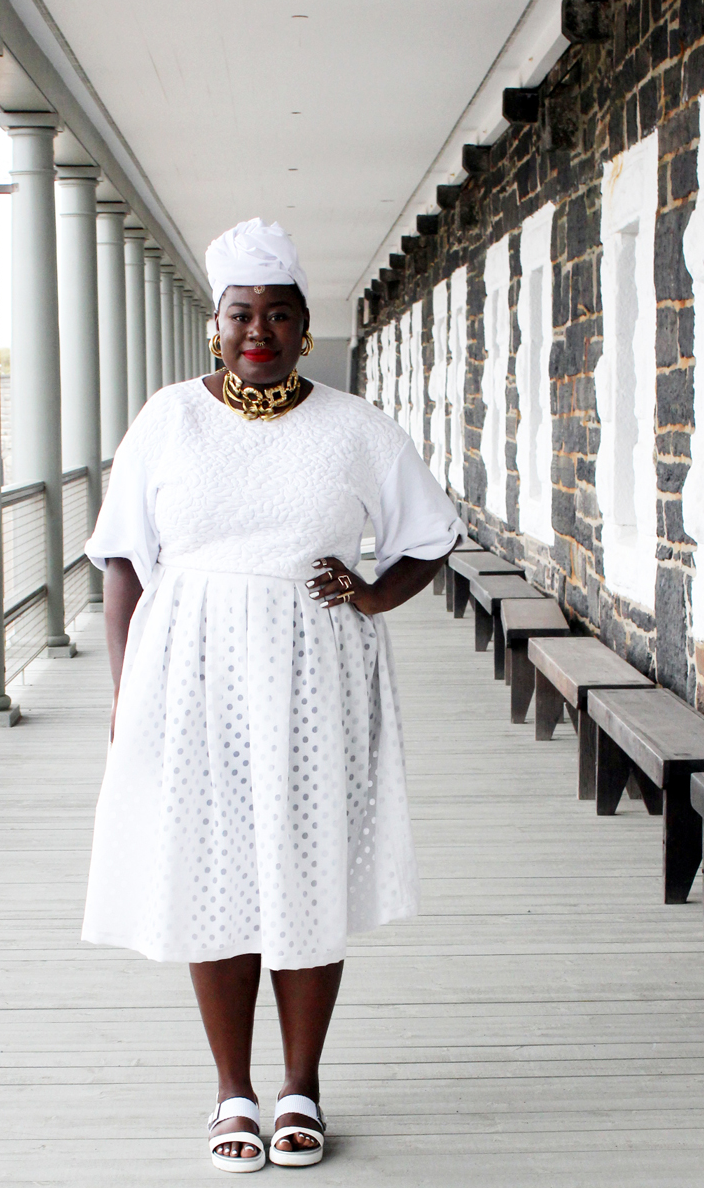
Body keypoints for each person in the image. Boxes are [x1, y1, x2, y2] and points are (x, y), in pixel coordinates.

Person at [81, 218, 464, 1172]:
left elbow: (431, 534)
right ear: (215, 326)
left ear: (303, 326)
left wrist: (373, 595)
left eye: (279, 315)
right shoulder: (169, 419)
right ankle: (232, 1093)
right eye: (240, 314)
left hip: (315, 676)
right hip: (192, 671)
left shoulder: (357, 426)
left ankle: (301, 1086)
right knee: (213, 877)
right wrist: (126, 694)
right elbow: (123, 562)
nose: (259, 331)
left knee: (304, 870)